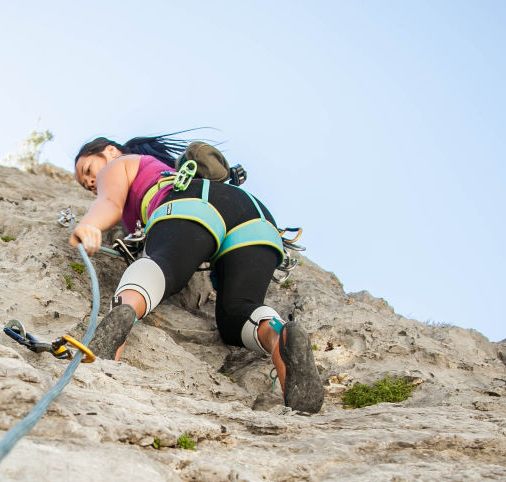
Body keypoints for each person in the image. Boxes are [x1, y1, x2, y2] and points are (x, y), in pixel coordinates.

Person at [70, 133, 325, 414]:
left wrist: (90, 225)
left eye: (88, 171)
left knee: (161, 264)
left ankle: (121, 318)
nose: (91, 183)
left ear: (109, 151)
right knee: (238, 313)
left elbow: (110, 202)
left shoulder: (122, 164)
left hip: (191, 204)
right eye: (86, 185)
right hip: (255, 216)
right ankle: (279, 335)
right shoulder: (165, 168)